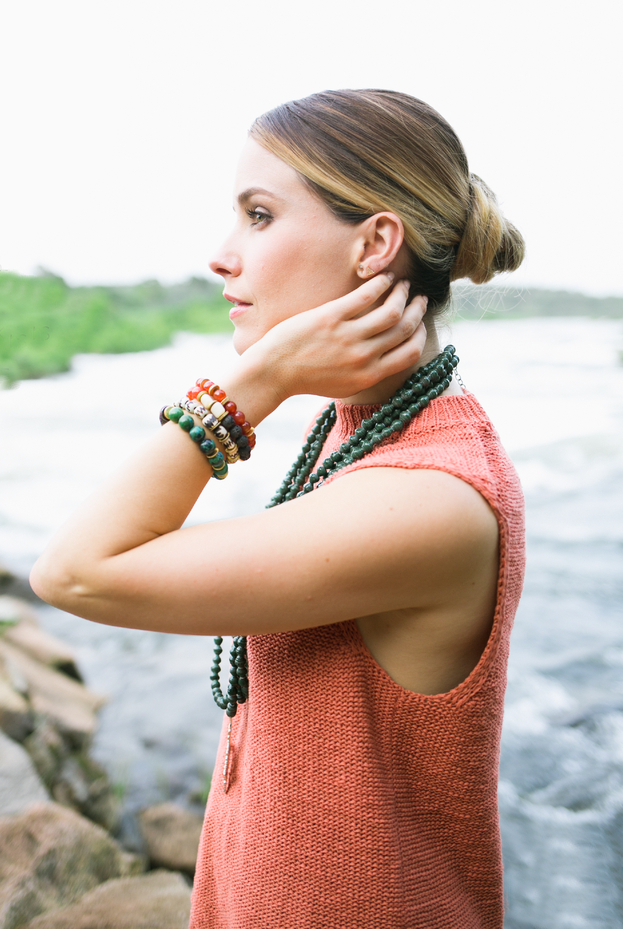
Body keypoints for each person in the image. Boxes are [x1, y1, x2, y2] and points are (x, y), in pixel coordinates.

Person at [30, 89, 526, 929]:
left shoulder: (427, 493)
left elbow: (74, 572)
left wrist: (254, 381)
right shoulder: (363, 428)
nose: (222, 256)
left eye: (258, 216)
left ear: (374, 245)